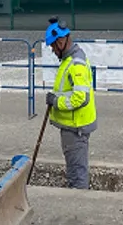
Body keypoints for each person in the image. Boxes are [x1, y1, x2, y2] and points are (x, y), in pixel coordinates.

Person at [44, 16, 96, 189]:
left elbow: (81, 98)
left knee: (77, 173)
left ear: (60, 42)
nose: (52, 50)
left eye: (52, 46)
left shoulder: (75, 64)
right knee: (75, 170)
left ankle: (79, 207)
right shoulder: (68, 60)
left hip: (76, 128)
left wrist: (55, 101)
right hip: (73, 126)